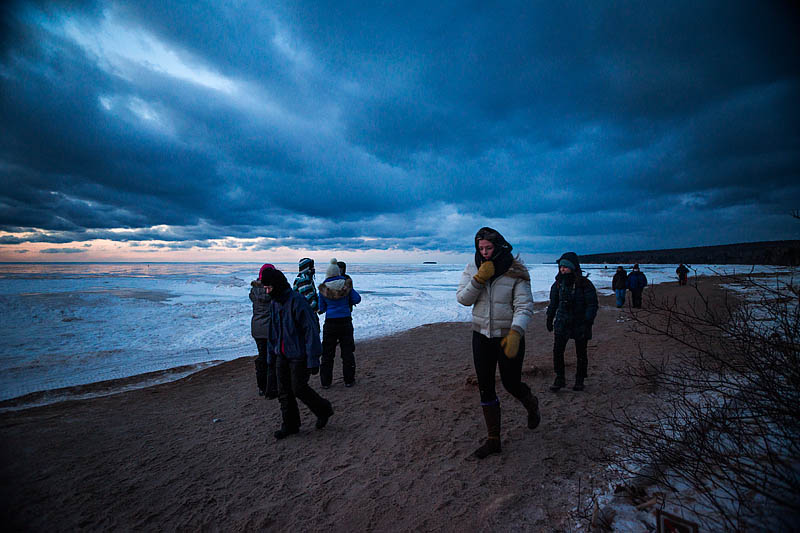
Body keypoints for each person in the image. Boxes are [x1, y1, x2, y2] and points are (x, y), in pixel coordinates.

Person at [456, 227, 540, 459]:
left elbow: (524, 306)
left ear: (499, 245)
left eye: (488, 248)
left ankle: (531, 403)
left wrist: (516, 332)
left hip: (508, 337)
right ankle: (494, 440)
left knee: (511, 383)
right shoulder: (473, 267)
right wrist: (479, 279)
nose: (484, 252)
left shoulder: (516, 271)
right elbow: (463, 299)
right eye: (480, 248)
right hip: (480, 336)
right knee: (485, 387)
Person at [260, 267, 333, 440]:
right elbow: (272, 332)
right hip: (281, 354)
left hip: (299, 354)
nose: (267, 291)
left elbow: (311, 330)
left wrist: (314, 359)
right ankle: (290, 425)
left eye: (268, 287)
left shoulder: (297, 301)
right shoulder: (274, 303)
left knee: (298, 388)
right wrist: (271, 356)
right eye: (265, 288)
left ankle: (324, 409)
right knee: (284, 391)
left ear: (276, 285)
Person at [546, 252, 598, 392]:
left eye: (565, 266)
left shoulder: (584, 284)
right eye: (560, 266)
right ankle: (559, 378)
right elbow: (553, 304)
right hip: (562, 322)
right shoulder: (557, 284)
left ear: (573, 267)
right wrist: (549, 318)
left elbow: (592, 304)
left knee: (581, 353)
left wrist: (588, 320)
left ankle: (579, 380)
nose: (562, 269)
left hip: (580, 323)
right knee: (557, 351)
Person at [318, 258, 362, 389]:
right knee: (347, 352)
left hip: (330, 322)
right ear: (338, 272)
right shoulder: (346, 285)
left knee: (327, 354)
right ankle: (349, 380)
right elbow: (357, 299)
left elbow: (322, 307)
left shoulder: (323, 288)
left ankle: (326, 382)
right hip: (345, 322)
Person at [250, 263, 277, 398]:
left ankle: (262, 387)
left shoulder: (254, 291)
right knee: (272, 358)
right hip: (270, 328)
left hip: (256, 327)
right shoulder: (272, 290)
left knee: (262, 356)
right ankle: (271, 388)